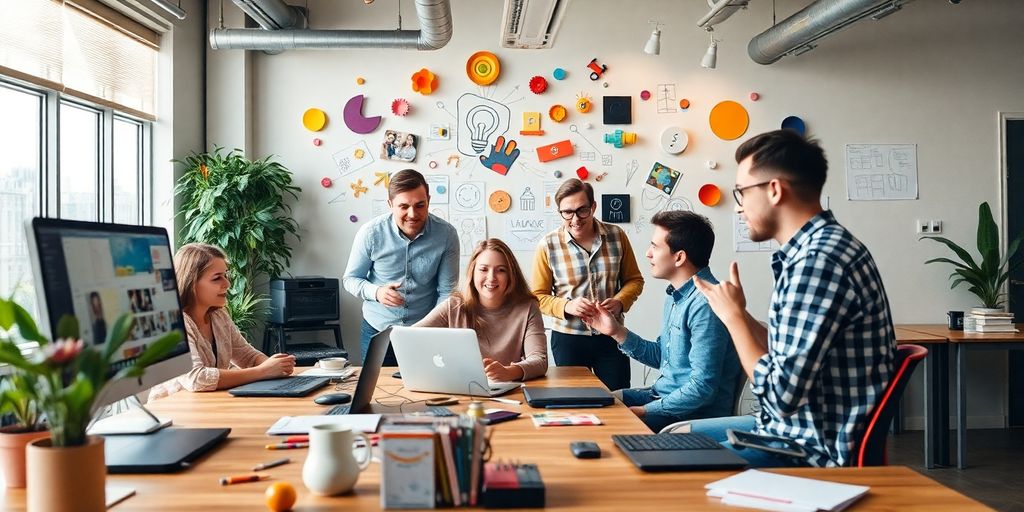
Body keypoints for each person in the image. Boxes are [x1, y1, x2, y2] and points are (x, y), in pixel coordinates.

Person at [690, 129, 896, 467]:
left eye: (741, 192)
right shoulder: (814, 251)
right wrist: (740, 315)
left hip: (813, 450)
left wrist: (733, 320)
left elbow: (780, 395)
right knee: (675, 436)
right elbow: (783, 354)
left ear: (774, 190)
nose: (739, 208)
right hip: (793, 432)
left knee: (668, 460)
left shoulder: (818, 262)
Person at [581, 211, 740, 432]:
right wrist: (616, 331)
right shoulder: (676, 296)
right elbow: (663, 357)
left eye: (655, 247)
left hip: (692, 416)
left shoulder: (706, 305)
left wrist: (645, 411)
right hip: (662, 396)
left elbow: (702, 388)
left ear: (679, 257)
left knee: (604, 423)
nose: (648, 254)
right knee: (600, 403)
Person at [531, 178, 644, 391]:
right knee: (574, 401)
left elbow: (634, 280)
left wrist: (620, 302)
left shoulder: (617, 236)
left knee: (618, 399)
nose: (575, 219)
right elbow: (538, 295)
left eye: (582, 210)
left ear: (593, 207)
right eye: (567, 212)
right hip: (568, 339)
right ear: (560, 212)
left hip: (612, 336)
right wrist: (567, 306)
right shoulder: (548, 245)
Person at [148, 243, 296, 400]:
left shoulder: (219, 316)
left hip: (208, 407)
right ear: (191, 283)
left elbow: (247, 356)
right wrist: (264, 371)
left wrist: (276, 367)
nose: (227, 284)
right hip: (173, 414)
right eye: (217, 278)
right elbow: (197, 379)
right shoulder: (173, 323)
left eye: (226, 275)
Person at [343, 169, 460, 366]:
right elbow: (351, 279)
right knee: (378, 391)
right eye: (404, 206)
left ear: (429, 200)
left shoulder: (447, 235)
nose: (412, 214)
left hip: (426, 333)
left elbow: (447, 291)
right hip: (378, 331)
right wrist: (377, 292)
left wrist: (431, 328)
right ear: (390, 204)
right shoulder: (370, 233)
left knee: (425, 391)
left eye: (420, 205)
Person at [415, 238, 547, 382]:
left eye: (501, 270)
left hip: (505, 391)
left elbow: (539, 360)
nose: (491, 278)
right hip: (457, 387)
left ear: (511, 275)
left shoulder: (527, 307)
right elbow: (410, 338)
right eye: (483, 269)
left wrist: (510, 372)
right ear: (473, 272)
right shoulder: (453, 306)